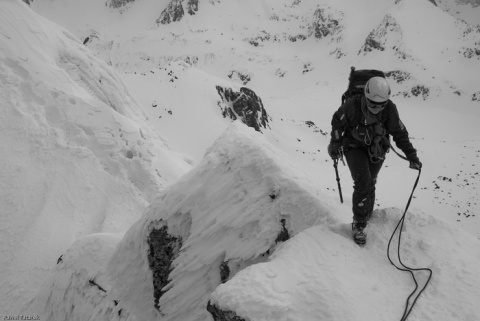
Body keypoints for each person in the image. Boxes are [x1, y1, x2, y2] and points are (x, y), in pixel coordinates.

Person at [327, 76, 422, 245]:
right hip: (353, 146)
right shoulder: (352, 105)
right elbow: (337, 122)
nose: (377, 108)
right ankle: (360, 223)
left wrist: (411, 155)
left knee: (370, 181)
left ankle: (366, 212)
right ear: (365, 96)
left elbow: (399, 133)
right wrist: (335, 143)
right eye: (372, 104)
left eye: (381, 105)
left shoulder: (390, 109)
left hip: (376, 148)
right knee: (363, 182)